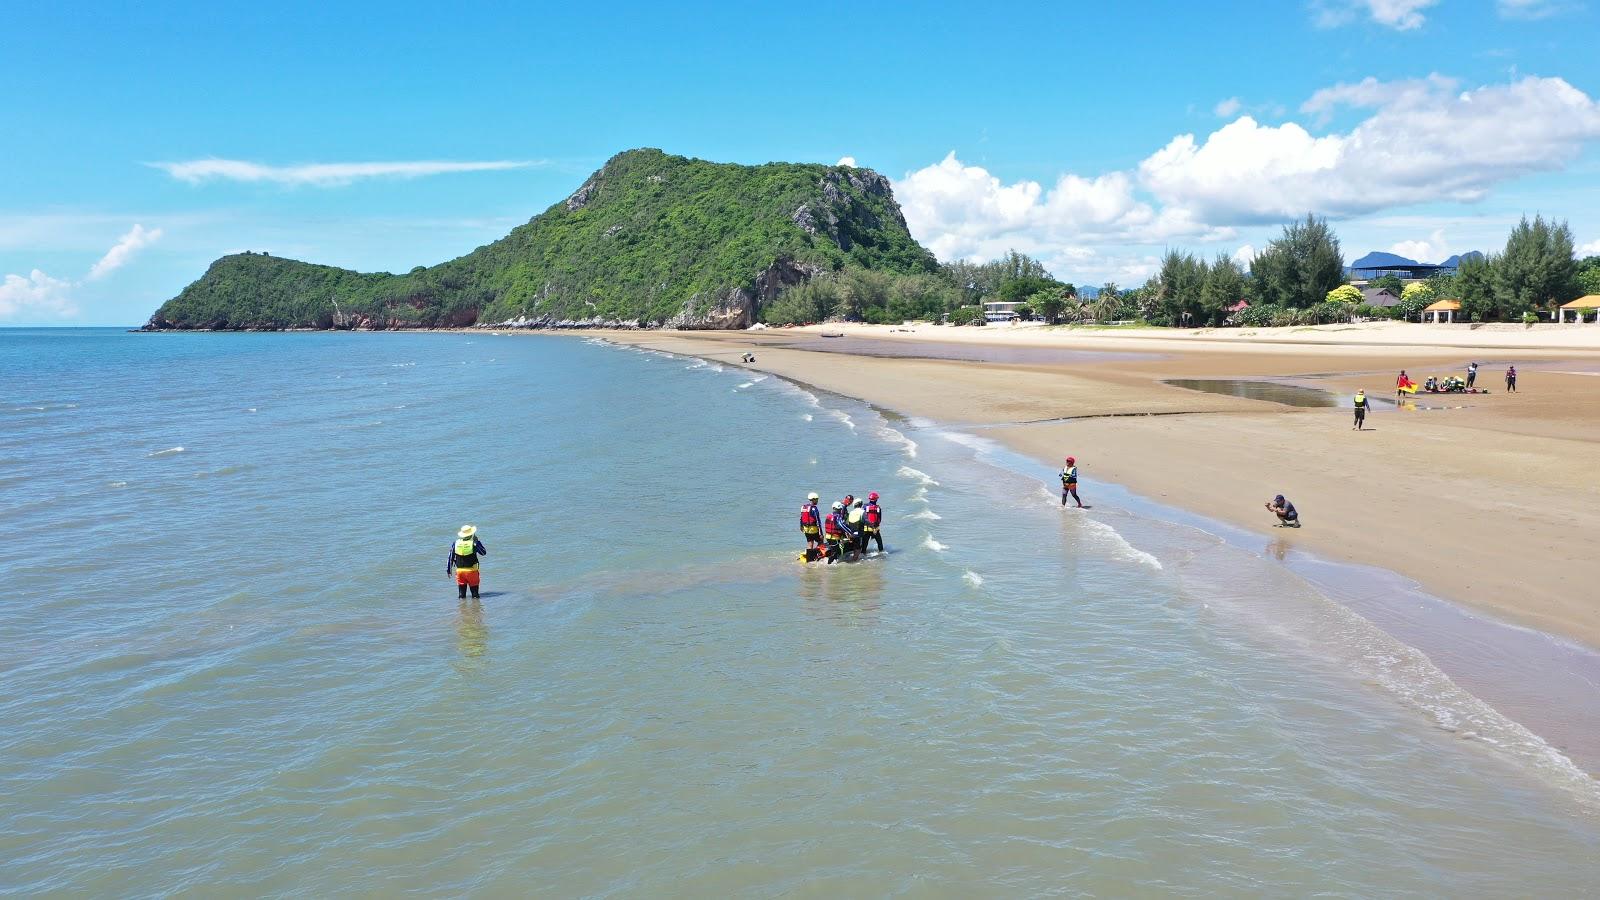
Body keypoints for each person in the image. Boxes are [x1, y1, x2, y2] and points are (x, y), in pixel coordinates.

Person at [447, 525, 487, 599]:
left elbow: (450, 557)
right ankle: (475, 609)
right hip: (472, 571)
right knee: (475, 595)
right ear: (471, 534)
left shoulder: (455, 543)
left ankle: (462, 609)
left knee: (461, 596)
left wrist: (449, 570)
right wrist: (477, 542)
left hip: (460, 572)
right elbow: (483, 552)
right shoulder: (474, 543)